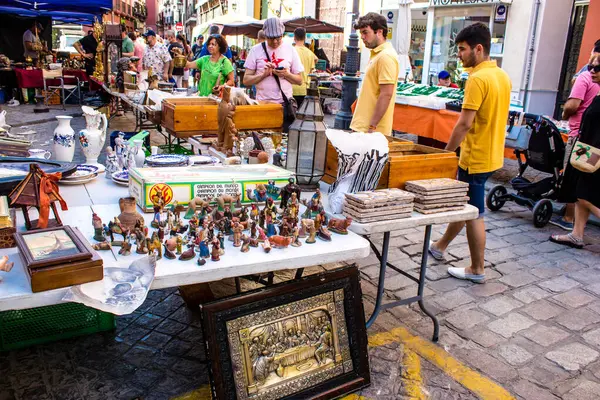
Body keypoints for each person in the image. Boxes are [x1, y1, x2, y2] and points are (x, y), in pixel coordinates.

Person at [429, 23, 511, 284]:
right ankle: (440, 245)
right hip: (491, 154)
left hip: (475, 157)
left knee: (474, 212)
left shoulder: (477, 78)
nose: (459, 55)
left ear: (479, 48)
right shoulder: (502, 75)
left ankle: (477, 268)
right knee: (464, 205)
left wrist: (446, 153)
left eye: (462, 50)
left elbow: (464, 123)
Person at [551, 55, 600, 249]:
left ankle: (577, 234)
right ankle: (577, 234)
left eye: (598, 68)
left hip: (593, 152)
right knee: (578, 191)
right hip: (586, 149)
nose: (592, 71)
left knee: (583, 194)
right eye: (591, 67)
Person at [243, 17, 304, 133]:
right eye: (271, 38)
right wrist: (263, 75)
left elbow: (300, 80)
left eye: (278, 38)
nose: (275, 42)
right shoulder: (256, 50)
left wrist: (286, 74)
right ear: (265, 35)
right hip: (262, 105)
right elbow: (246, 80)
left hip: (284, 107)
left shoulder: (290, 50)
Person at [349, 12, 399, 135]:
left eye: (365, 32)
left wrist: (372, 126)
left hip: (371, 131)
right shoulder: (377, 54)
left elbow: (386, 94)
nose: (362, 37)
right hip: (364, 127)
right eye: (361, 33)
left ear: (380, 32)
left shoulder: (385, 56)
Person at [292, 28, 318, 107]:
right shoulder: (310, 53)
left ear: (294, 38)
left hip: (292, 88)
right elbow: (316, 59)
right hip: (305, 89)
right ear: (305, 38)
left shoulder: (291, 50)